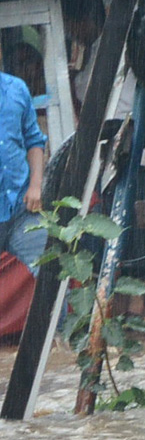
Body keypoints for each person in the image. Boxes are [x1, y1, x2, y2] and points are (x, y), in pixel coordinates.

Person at [0, 48, 48, 278]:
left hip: (24, 207)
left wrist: (36, 186)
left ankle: (52, 316)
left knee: (45, 278)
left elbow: (34, 141)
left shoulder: (17, 89)